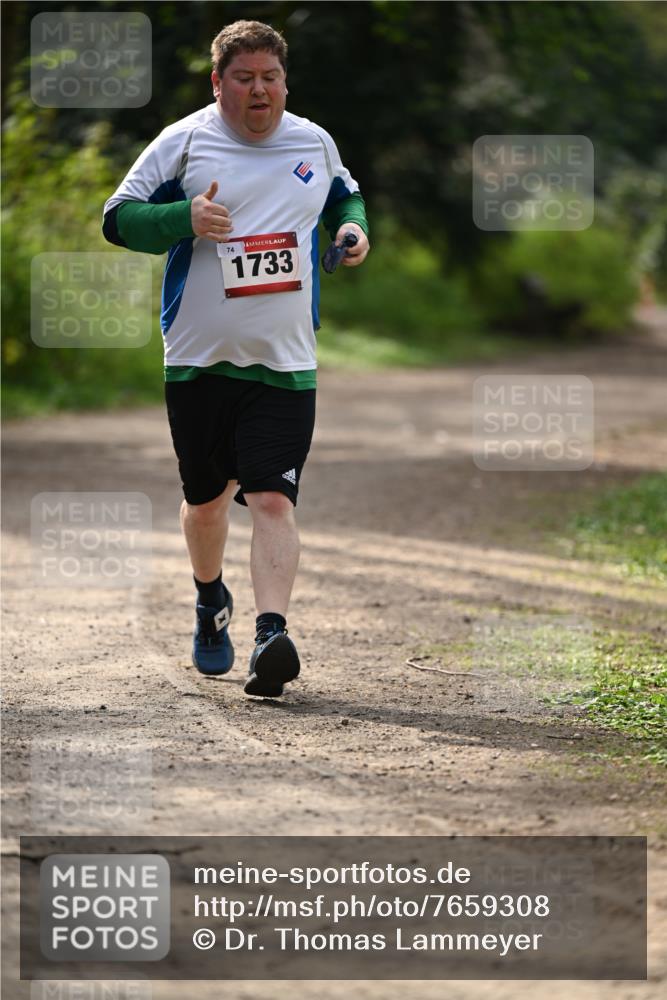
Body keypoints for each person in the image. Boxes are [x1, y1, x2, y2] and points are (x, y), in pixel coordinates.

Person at [102, 20, 370, 697]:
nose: (260, 90)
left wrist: (351, 230)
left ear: (285, 82)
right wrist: (180, 220)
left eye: (270, 78)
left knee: (273, 499)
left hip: (285, 363)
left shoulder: (312, 139)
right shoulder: (185, 141)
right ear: (218, 82)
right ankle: (208, 599)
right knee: (206, 502)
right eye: (245, 78)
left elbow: (344, 193)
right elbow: (117, 218)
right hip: (197, 360)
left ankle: (269, 635)